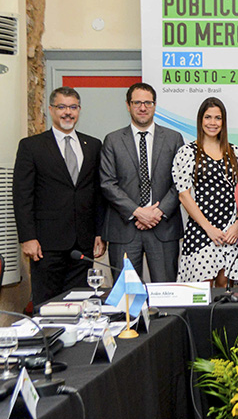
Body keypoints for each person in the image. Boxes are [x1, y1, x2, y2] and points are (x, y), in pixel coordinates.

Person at [13, 87, 106, 305]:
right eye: (62, 107)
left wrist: (99, 233)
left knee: (80, 304)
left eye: (73, 107)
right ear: (51, 109)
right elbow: (22, 195)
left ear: (79, 110)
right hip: (46, 244)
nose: (67, 112)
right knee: (47, 306)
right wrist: (27, 237)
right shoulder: (31, 146)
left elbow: (97, 193)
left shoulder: (93, 145)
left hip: (82, 243)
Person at [100, 83, 184, 282]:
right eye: (137, 103)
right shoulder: (112, 140)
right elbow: (107, 183)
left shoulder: (173, 139)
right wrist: (138, 212)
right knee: (127, 294)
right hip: (124, 229)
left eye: (148, 103)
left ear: (155, 105)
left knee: (165, 294)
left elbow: (180, 182)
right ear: (128, 105)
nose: (143, 108)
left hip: (163, 228)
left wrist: (157, 212)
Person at [172, 97, 238, 285]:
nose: (212, 123)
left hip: (229, 231)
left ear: (224, 122)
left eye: (217, 118)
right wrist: (208, 229)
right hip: (201, 230)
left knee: (225, 291)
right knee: (201, 291)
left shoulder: (236, 153)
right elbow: (184, 195)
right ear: (200, 120)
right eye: (208, 117)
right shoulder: (188, 152)